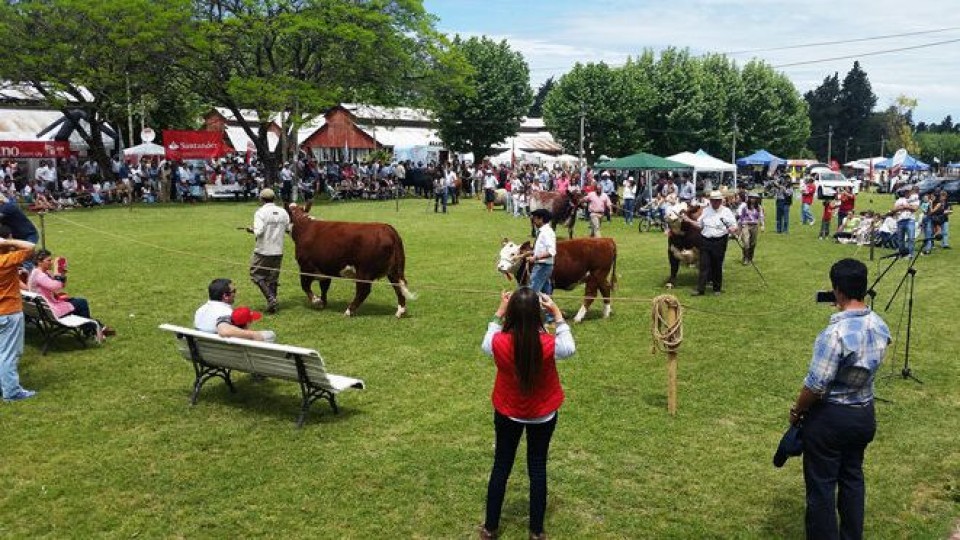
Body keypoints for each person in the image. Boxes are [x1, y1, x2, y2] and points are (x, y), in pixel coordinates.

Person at [789, 258, 890, 540]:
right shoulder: (880, 325)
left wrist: (797, 411)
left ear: (837, 291)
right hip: (863, 414)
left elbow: (815, 384)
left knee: (821, 487)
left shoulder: (834, 334)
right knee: (853, 478)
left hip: (830, 418)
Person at [479, 288, 576, 540]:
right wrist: (557, 314)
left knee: (501, 465)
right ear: (537, 314)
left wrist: (500, 311)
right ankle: (536, 531)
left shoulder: (499, 341)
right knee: (537, 467)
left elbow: (486, 342)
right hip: (541, 413)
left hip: (508, 411)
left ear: (511, 313)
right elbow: (569, 348)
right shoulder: (548, 343)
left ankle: (490, 528)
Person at [27, 249, 115, 338]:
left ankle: (96, 327)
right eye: (49, 260)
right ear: (39, 262)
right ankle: (91, 330)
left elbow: (60, 286)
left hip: (43, 309)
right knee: (81, 303)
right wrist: (58, 272)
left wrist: (62, 275)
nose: (51, 262)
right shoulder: (39, 275)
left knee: (76, 302)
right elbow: (55, 286)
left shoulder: (38, 272)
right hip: (51, 311)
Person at [0, 235, 36, 402]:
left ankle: (4, 385)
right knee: (8, 354)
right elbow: (30, 247)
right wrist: (7, 242)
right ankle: (11, 392)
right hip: (8, 311)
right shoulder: (6, 260)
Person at [684, 191, 738, 296]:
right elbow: (700, 225)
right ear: (711, 201)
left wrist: (733, 229)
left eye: (717, 200)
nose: (715, 202)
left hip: (719, 241)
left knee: (717, 265)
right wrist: (689, 220)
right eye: (713, 200)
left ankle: (717, 289)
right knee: (704, 265)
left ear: (721, 201)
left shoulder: (726, 211)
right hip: (705, 240)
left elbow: (734, 225)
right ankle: (700, 289)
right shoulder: (706, 211)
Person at [246, 188, 290, 313]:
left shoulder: (260, 212)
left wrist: (251, 229)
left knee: (255, 274)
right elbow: (288, 228)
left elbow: (259, 231)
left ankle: (271, 298)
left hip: (263, 250)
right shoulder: (282, 212)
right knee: (273, 278)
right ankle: (273, 305)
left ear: (261, 199)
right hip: (278, 249)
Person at [194, 278, 275, 341]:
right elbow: (224, 331)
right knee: (269, 335)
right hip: (224, 354)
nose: (236, 294)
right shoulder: (225, 312)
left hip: (205, 352)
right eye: (234, 291)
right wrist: (254, 334)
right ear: (225, 296)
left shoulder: (200, 310)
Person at [526, 209, 556, 297]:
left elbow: (551, 251)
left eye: (534, 219)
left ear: (541, 219)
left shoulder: (546, 233)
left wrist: (535, 258)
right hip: (543, 266)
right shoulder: (542, 232)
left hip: (542, 267)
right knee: (545, 294)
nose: (533, 221)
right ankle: (549, 311)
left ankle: (529, 310)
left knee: (532, 292)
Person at [737, 193, 765, 265]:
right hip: (746, 225)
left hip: (754, 226)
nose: (753, 199)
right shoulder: (745, 207)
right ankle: (745, 258)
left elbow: (761, 216)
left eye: (754, 198)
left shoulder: (759, 208)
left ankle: (750, 257)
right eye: (751, 198)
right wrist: (739, 228)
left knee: (753, 243)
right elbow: (741, 218)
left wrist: (762, 225)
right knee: (746, 242)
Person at [893, 187, 919, 257]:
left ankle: (910, 254)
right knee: (900, 239)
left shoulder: (914, 200)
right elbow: (894, 209)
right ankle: (902, 253)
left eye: (908, 192)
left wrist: (905, 207)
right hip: (900, 220)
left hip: (910, 220)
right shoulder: (898, 200)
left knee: (911, 238)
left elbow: (915, 208)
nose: (907, 193)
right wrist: (904, 207)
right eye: (905, 192)